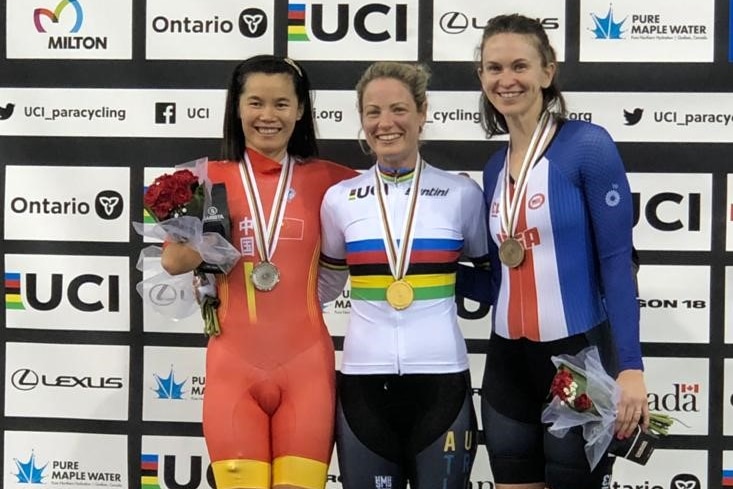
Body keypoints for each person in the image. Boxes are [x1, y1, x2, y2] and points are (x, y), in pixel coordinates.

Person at [463, 13, 649, 489]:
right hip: (507, 367)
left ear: (548, 72)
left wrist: (630, 367)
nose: (507, 80)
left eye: (520, 66)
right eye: (494, 68)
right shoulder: (492, 168)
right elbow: (498, 281)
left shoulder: (588, 148)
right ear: (481, 76)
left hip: (577, 360)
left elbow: (616, 262)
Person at [161, 55, 356, 489]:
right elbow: (171, 263)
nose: (268, 116)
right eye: (255, 103)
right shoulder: (204, 179)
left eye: (282, 104)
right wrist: (207, 238)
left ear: (301, 110)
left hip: (307, 368)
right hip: (234, 368)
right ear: (236, 107)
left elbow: (393, 200)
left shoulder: (331, 180)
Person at [319, 61, 490, 489]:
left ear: (422, 111)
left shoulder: (461, 194)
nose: (385, 123)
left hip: (441, 381)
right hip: (363, 383)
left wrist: (444, 278)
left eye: (398, 109)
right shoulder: (340, 200)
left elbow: (494, 282)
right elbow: (323, 287)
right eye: (372, 112)